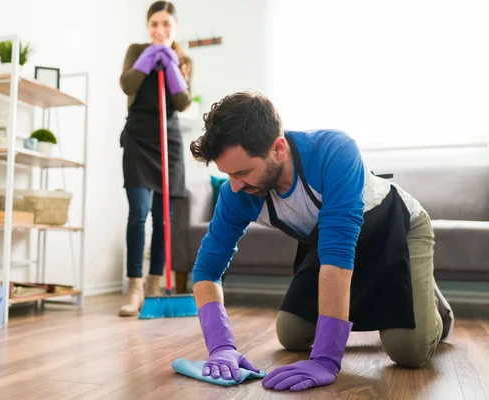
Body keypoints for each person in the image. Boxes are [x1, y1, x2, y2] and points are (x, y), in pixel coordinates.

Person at [187, 91, 454, 392]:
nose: (235, 185)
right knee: (291, 333)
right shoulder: (236, 193)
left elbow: (337, 256)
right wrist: (221, 347)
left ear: (278, 148)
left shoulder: (334, 152)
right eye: (228, 174)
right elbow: (207, 270)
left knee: (408, 350)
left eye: (243, 172)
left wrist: (326, 359)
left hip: (396, 228)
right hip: (330, 243)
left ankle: (437, 312)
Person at [118, 1, 193, 317]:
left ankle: (153, 285)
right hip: (139, 138)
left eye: (166, 25)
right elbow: (127, 85)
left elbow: (183, 101)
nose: (160, 30)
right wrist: (150, 58)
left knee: (164, 218)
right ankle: (134, 286)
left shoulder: (184, 58)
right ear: (148, 27)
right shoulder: (137, 50)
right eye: (154, 24)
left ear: (175, 27)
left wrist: (172, 66)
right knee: (139, 213)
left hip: (169, 143)